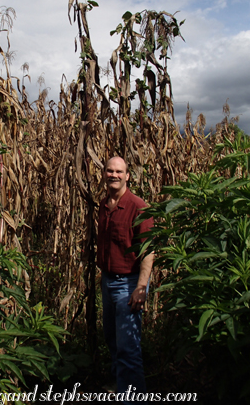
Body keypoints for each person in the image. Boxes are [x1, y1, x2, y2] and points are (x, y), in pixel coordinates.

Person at [97, 156, 154, 401]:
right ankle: (120, 386)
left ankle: (132, 396)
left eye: (119, 171)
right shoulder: (104, 204)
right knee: (112, 338)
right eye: (110, 171)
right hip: (108, 280)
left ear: (127, 176)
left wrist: (141, 287)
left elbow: (149, 251)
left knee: (128, 348)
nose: (114, 175)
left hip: (128, 284)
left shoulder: (139, 207)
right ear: (104, 174)